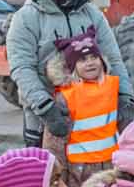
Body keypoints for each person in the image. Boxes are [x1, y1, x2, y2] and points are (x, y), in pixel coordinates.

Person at [5, 0, 126, 149]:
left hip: (92, 118)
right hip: (46, 121)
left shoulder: (91, 13)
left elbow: (114, 58)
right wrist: (46, 108)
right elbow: (21, 68)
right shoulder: (25, 18)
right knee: (50, 178)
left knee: (92, 177)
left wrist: (126, 98)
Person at [46, 29, 123, 166]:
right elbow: (56, 143)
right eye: (82, 60)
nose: (90, 63)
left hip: (111, 164)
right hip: (79, 168)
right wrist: (58, 174)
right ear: (72, 67)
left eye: (94, 57)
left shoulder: (112, 86)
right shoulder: (65, 96)